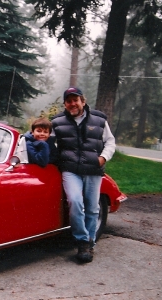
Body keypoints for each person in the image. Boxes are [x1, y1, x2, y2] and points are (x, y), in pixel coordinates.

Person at [51, 87, 116, 263]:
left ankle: (90, 244)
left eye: (76, 100)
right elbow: (44, 138)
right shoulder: (57, 121)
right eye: (69, 100)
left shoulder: (99, 119)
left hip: (93, 170)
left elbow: (110, 141)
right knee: (75, 201)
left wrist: (103, 158)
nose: (73, 104)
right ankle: (82, 241)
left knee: (93, 208)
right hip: (70, 170)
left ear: (83, 101)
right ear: (65, 104)